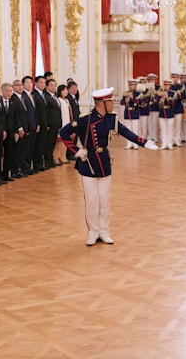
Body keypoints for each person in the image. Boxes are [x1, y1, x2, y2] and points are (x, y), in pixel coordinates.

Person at [59, 87, 158, 245]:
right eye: (110, 101)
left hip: (104, 162)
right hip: (88, 163)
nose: (113, 103)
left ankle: (104, 231)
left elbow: (126, 132)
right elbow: (64, 132)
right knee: (92, 200)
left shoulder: (111, 118)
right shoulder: (86, 119)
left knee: (104, 200)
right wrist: (76, 151)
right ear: (102, 103)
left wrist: (144, 142)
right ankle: (93, 232)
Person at [53, 84, 71, 165]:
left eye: (66, 90)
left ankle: (63, 156)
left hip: (68, 123)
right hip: (62, 123)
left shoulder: (67, 100)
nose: (65, 91)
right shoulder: (59, 100)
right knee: (60, 141)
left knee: (66, 141)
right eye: (63, 90)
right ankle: (57, 157)